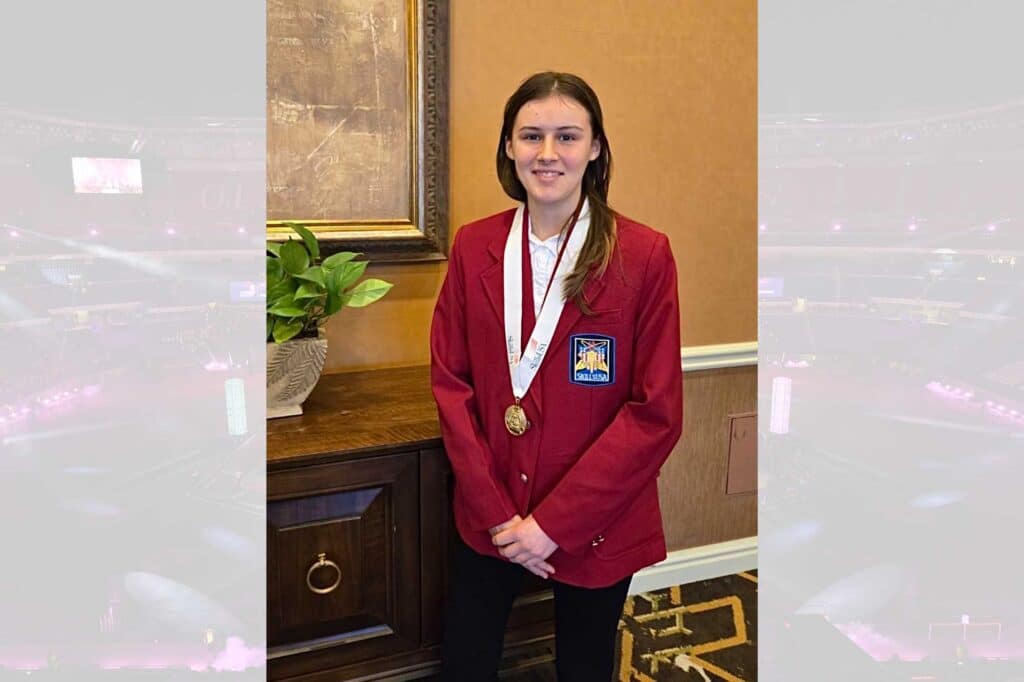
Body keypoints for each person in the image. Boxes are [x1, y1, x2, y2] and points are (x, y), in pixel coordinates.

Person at [430, 71, 683, 681]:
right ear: (509, 148)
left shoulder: (644, 255)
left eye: (567, 136)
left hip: (595, 522)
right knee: (465, 659)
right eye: (531, 136)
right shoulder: (473, 247)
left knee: (585, 667)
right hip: (490, 514)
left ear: (595, 148)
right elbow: (451, 382)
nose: (548, 154)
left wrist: (550, 527)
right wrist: (498, 515)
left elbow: (655, 413)